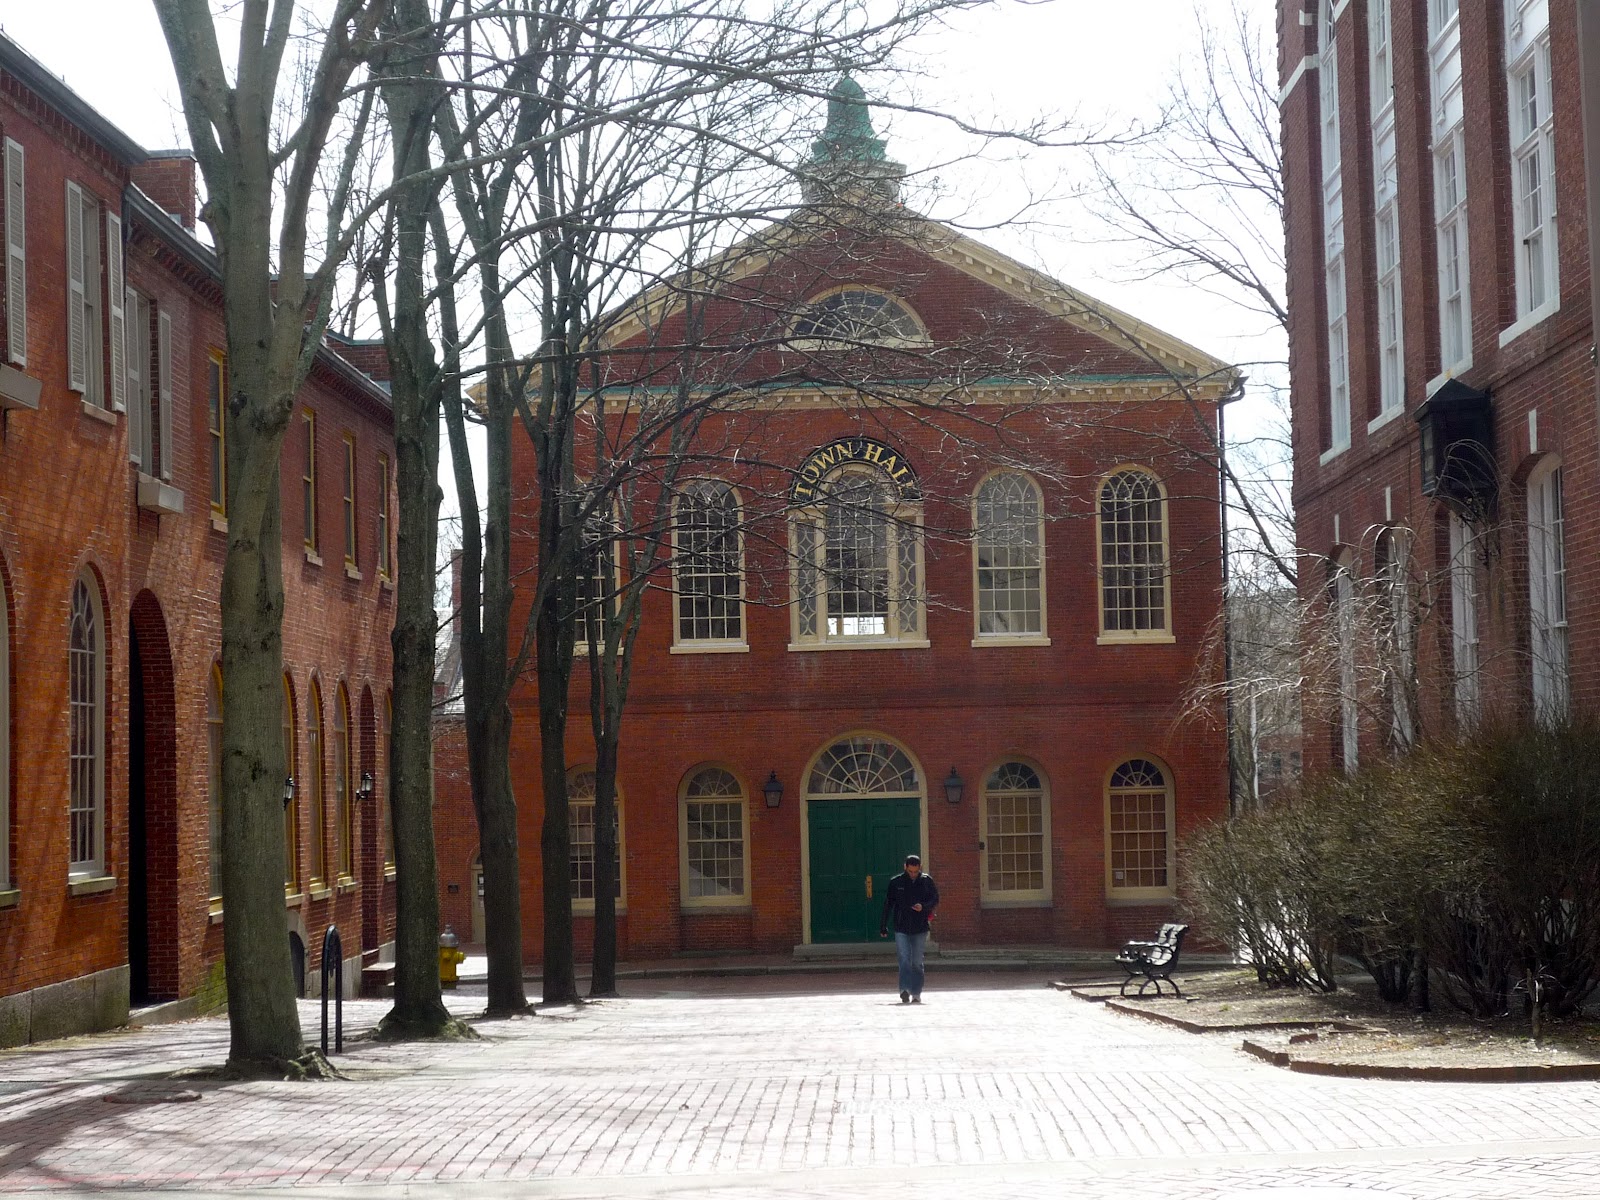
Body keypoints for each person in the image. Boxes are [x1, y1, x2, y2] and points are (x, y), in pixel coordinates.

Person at [879, 853, 939, 1004]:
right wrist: (883, 925)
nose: (913, 874)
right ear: (905, 867)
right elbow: (888, 904)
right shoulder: (896, 882)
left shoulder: (926, 881)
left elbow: (935, 898)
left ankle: (916, 992)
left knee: (917, 962)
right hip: (901, 927)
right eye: (910, 871)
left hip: (920, 927)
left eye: (916, 871)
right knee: (904, 959)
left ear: (920, 868)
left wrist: (924, 906)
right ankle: (904, 989)